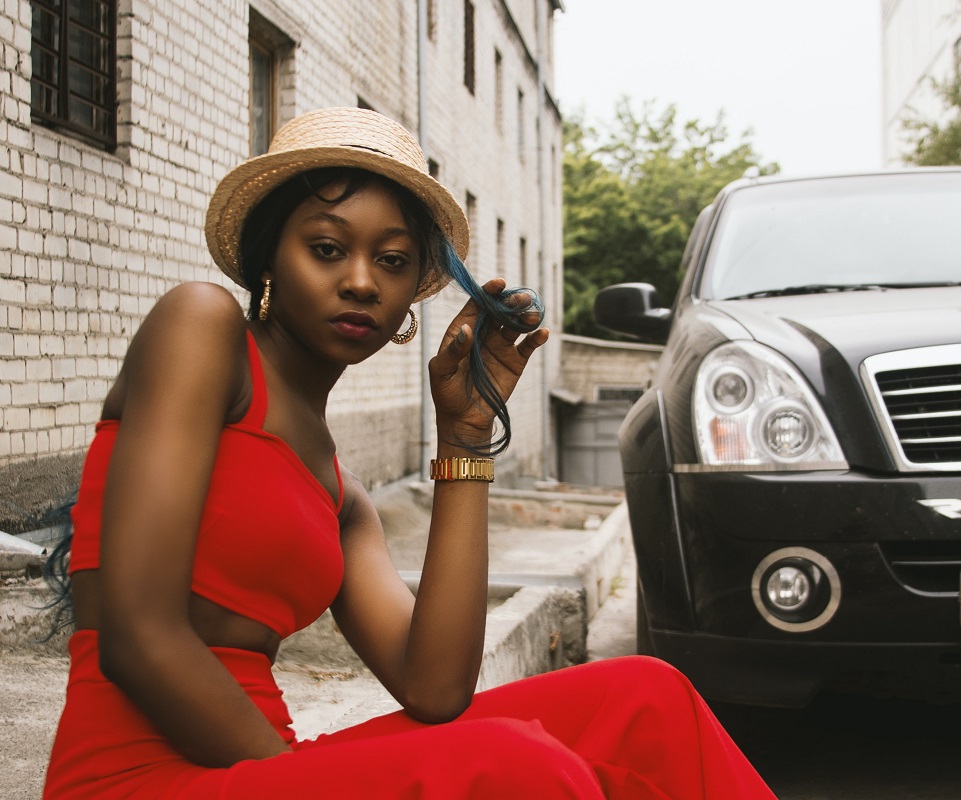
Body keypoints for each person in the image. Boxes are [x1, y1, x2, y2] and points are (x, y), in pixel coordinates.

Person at [41, 107, 775, 799]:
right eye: (326, 249)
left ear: (406, 302)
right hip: (143, 780)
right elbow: (137, 635)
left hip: (266, 770)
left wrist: (465, 437)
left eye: (392, 261)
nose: (360, 281)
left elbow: (434, 687)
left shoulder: (341, 497)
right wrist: (307, 783)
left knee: (645, 696)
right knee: (518, 770)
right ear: (269, 257)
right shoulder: (200, 328)